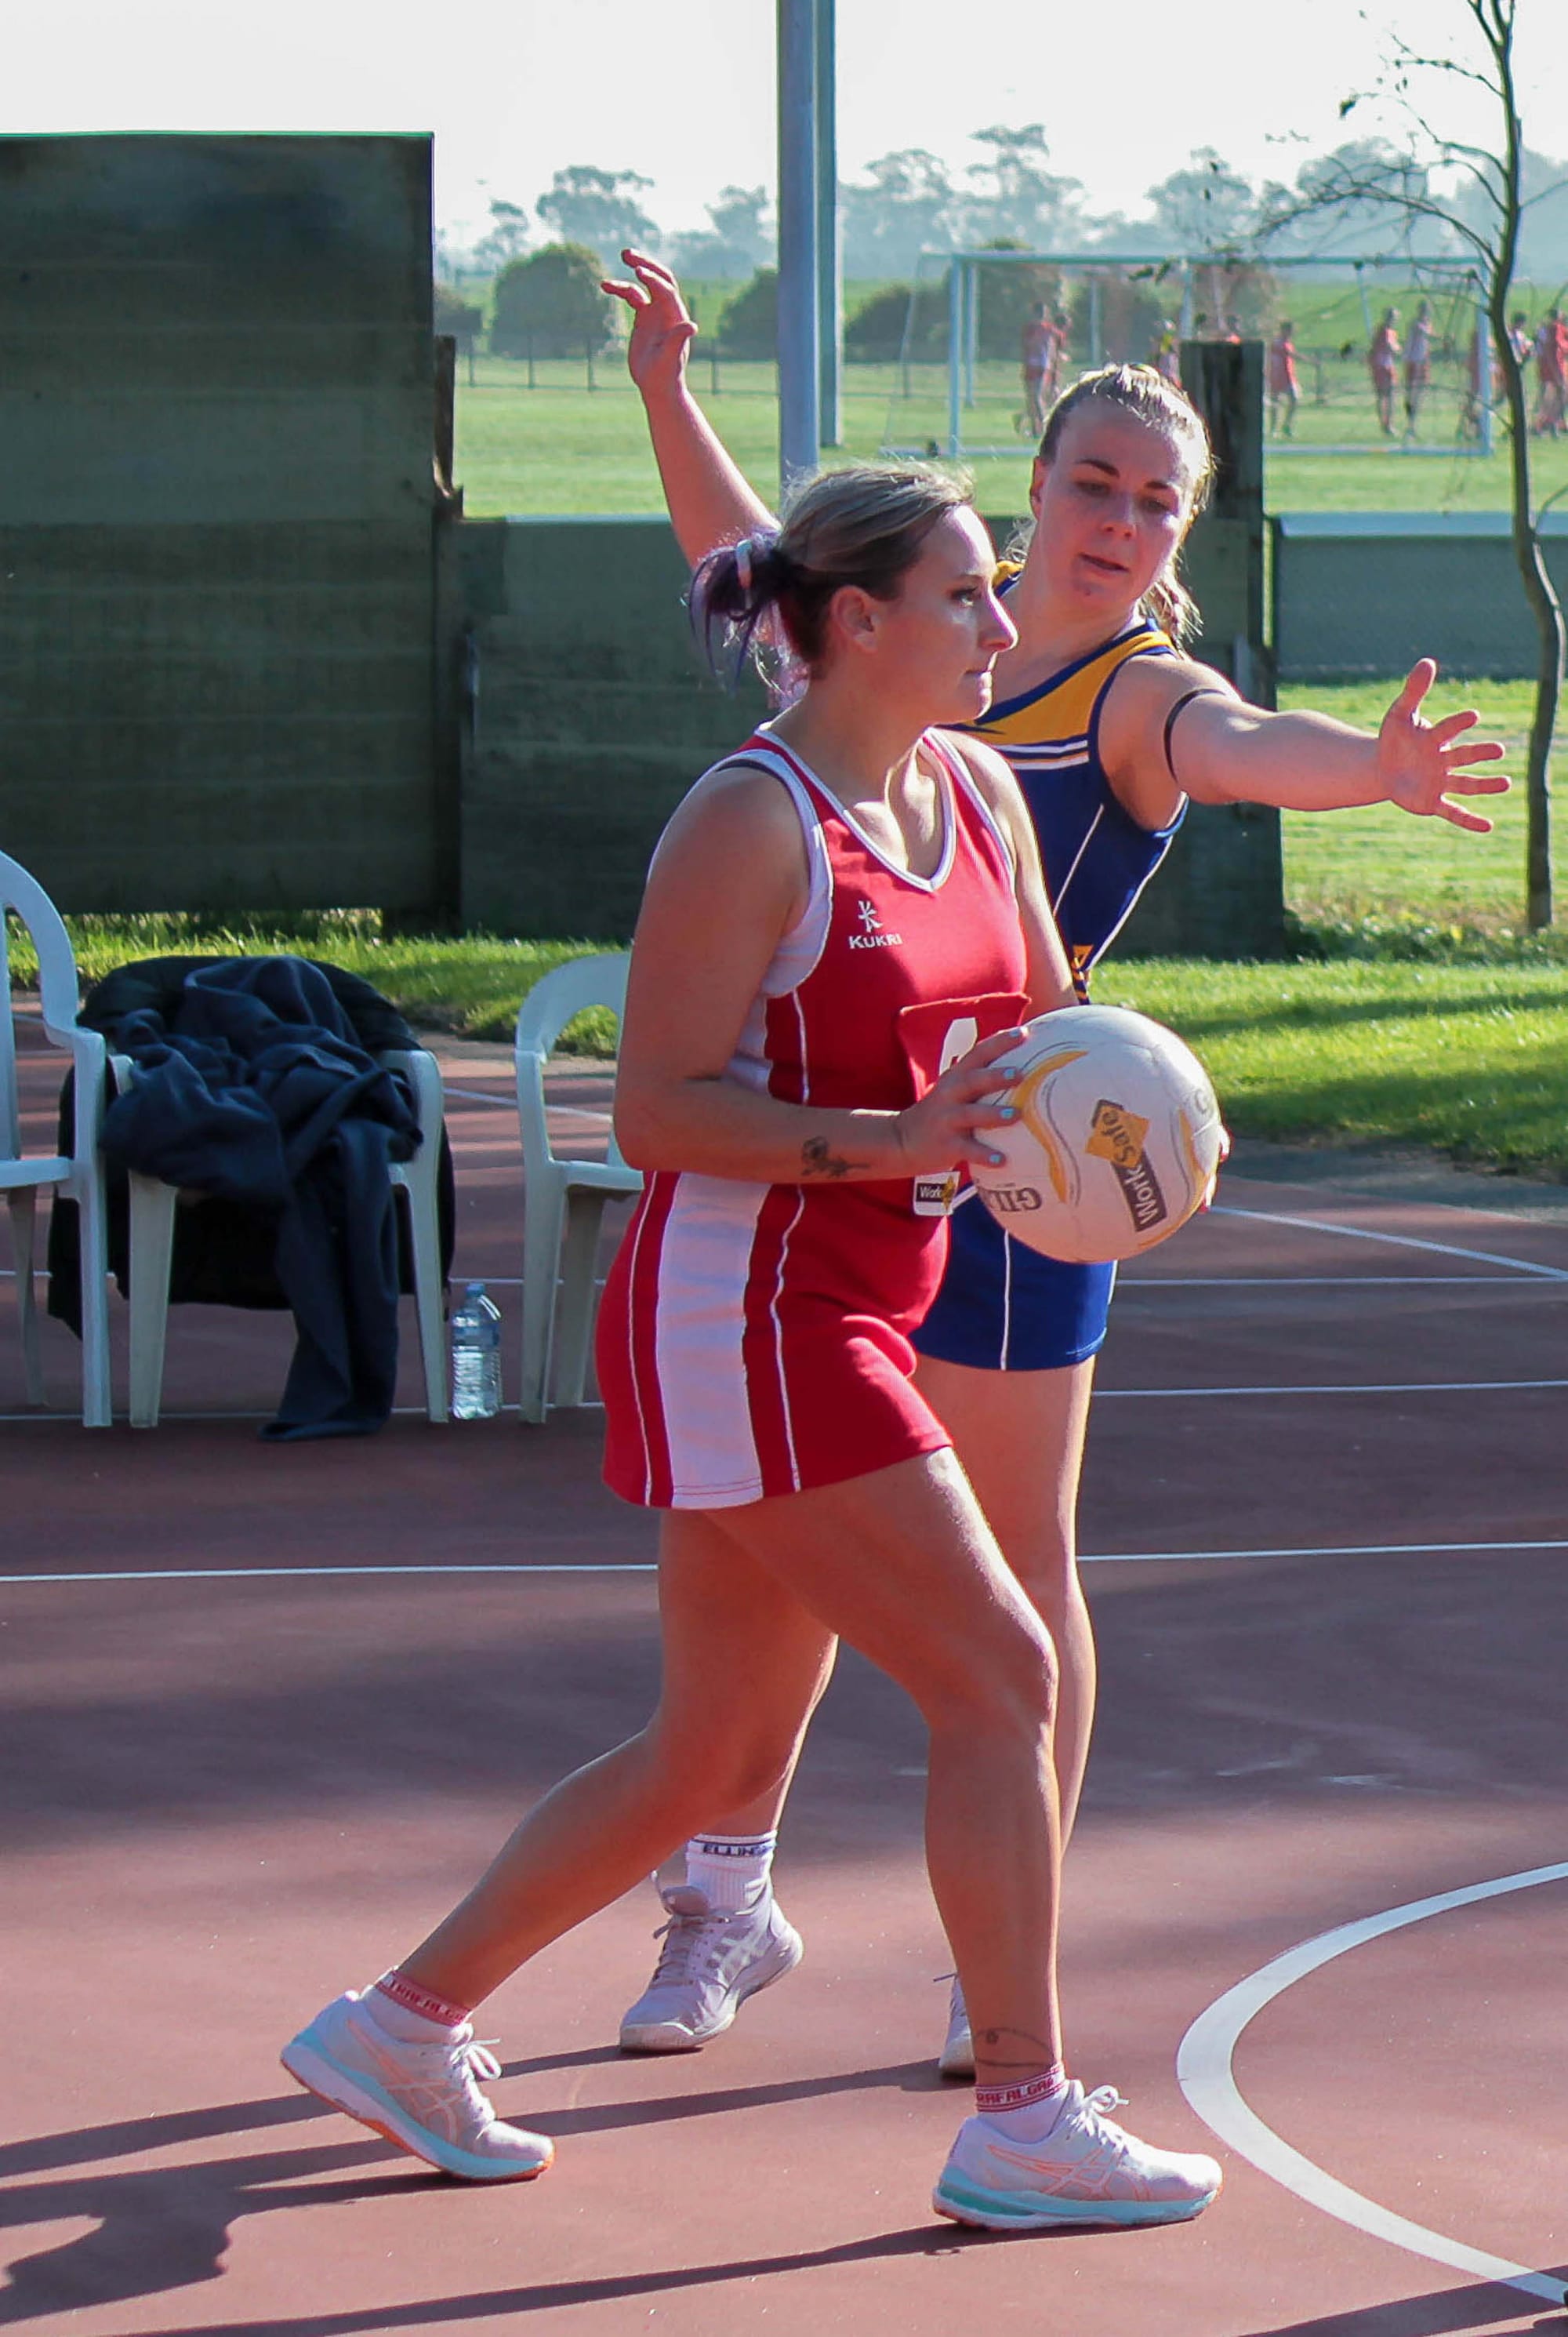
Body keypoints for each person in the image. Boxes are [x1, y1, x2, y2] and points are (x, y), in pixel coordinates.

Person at [281, 461, 1226, 2233]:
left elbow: (1038, 1038)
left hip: (857, 1292)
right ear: (850, 621)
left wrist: (1138, 1123)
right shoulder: (750, 819)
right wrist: (890, 1141)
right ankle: (1018, 2105)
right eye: (964, 597)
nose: (1001, 627)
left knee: (710, 1759)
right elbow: (652, 1110)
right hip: (746, 1306)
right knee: (1000, 1673)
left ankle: (399, 2024)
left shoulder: (970, 795)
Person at [597, 250, 1510, 2081]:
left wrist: (1378, 773)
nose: (1115, 516)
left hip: (1017, 1181)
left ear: (1180, 533)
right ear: (1031, 485)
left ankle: (990, 1964)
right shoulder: (903, 622)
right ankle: (724, 1894)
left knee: (1011, 1576)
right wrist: (660, 391)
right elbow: (752, 552)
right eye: (1089, 479)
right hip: (824, 1161)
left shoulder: (1125, 691)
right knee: (764, 1573)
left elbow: (1244, 749)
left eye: (1153, 498)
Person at [1021, 300, 1057, 436]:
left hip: (1041, 365)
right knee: (1031, 398)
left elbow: (1052, 348)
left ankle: (1043, 428)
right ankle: (1035, 429)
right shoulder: (1030, 329)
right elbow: (1026, 347)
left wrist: (1052, 365)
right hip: (1031, 364)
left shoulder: (1048, 329)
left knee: (1036, 397)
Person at [1403, 300, 1433, 438]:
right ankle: (1410, 425)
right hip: (1414, 362)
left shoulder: (1428, 325)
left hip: (1423, 363)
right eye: (1423, 310)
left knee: (1420, 396)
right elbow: (1427, 336)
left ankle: (1413, 425)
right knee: (1413, 395)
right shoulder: (1416, 325)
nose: (1425, 313)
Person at [1369, 307, 1400, 437]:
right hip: (1381, 366)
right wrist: (1398, 349)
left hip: (1388, 365)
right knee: (1384, 396)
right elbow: (1390, 346)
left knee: (1391, 396)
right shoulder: (1383, 331)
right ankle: (1386, 424)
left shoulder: (1391, 332)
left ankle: (1389, 424)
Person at [1267, 322, 1299, 438]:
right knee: (1275, 404)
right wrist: (1311, 361)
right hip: (1277, 377)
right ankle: (1273, 429)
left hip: (1289, 377)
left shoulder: (1287, 343)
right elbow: (1290, 355)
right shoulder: (1278, 343)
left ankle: (1287, 426)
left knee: (1294, 400)